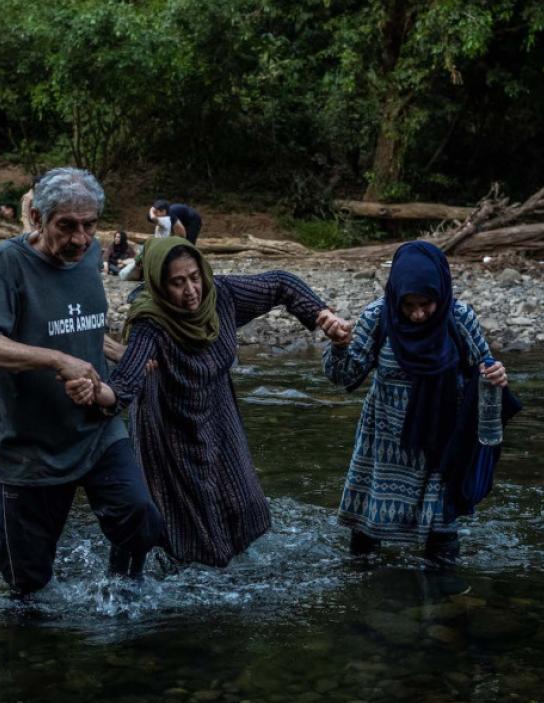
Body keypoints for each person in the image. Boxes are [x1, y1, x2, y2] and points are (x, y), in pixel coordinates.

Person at [65, 237, 352, 568]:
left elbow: (281, 283)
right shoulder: (151, 323)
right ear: (159, 284)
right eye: (177, 282)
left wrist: (322, 315)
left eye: (194, 277)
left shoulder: (223, 296)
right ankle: (162, 579)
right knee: (187, 520)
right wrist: (96, 392)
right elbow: (126, 383)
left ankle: (234, 573)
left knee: (242, 502)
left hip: (219, 413)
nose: (191, 291)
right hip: (170, 425)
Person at [0, 167, 164, 596]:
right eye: (66, 226)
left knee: (141, 519)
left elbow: (79, 327)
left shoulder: (88, 255)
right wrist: (57, 360)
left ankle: (122, 599)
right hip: (31, 446)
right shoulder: (7, 262)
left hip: (96, 427)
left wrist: (122, 354)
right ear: (36, 217)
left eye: (90, 225)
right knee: (27, 587)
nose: (81, 239)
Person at [322, 241, 513, 572]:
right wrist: (339, 345)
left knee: (441, 548)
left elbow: (483, 370)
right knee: (364, 552)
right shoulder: (379, 317)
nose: (418, 314)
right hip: (383, 447)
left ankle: (443, 608)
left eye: (426, 304)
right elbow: (343, 375)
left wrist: (495, 375)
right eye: (408, 305)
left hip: (439, 445)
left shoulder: (459, 318)